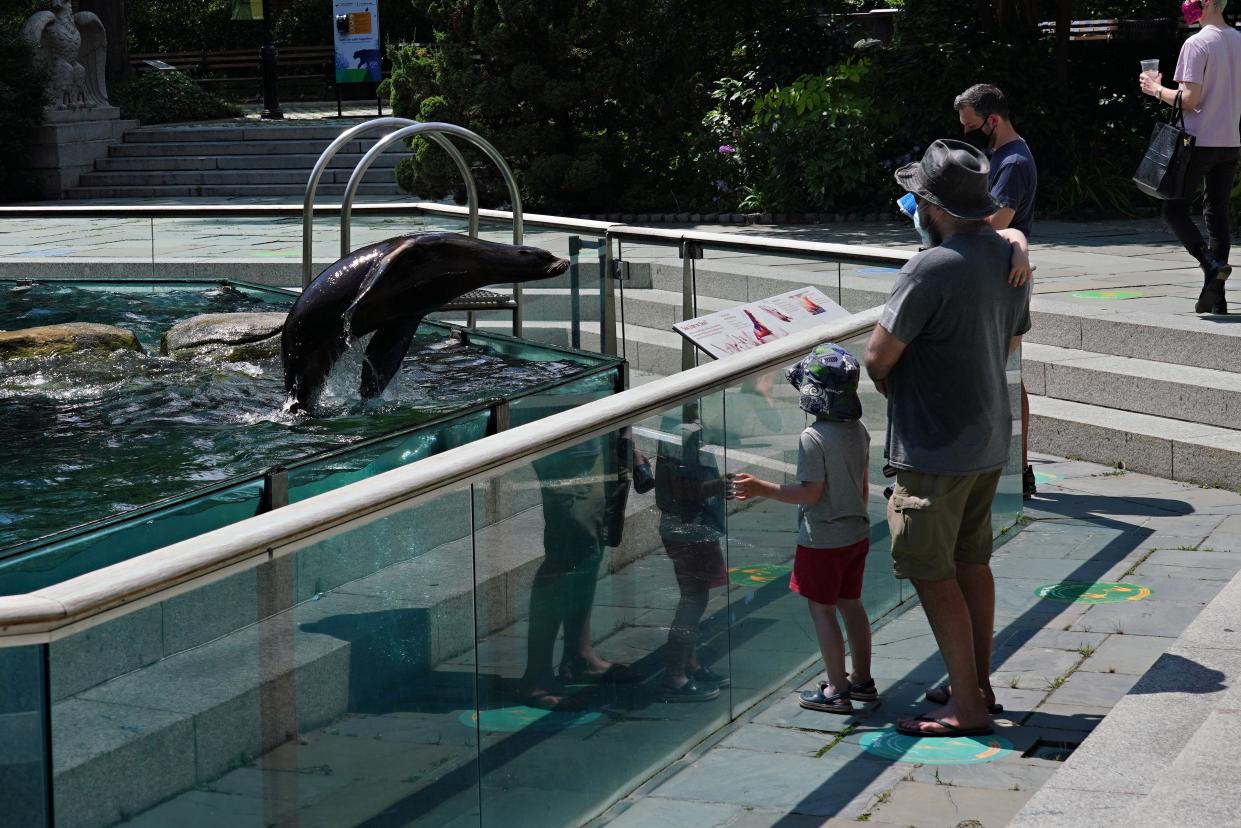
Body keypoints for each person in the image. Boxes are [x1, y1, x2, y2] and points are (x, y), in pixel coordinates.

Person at [865, 139, 1031, 738]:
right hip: (987, 439)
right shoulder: (1010, 257)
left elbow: (878, 356)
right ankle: (979, 684)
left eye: (916, 198)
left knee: (932, 574)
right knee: (972, 564)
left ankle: (966, 705)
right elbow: (1010, 342)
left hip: (933, 448)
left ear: (931, 206)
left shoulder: (928, 268)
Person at [732, 344, 875, 715]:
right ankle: (862, 679)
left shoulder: (813, 439)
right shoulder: (858, 431)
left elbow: (811, 494)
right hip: (856, 532)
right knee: (852, 605)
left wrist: (762, 488)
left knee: (822, 610)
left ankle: (837, 690)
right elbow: (862, 485)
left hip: (822, 539)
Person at [955, 83, 1039, 498]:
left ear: (993, 120)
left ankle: (1016, 467)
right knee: (1003, 374)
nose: (968, 133)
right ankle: (1012, 466)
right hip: (1000, 274)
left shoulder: (1014, 161)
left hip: (1005, 279)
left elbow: (998, 224)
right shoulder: (1001, 155)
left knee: (1005, 375)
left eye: (972, 126)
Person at [1139, 0, 1241, 314]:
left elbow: (1189, 100)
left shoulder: (1196, 43)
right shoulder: (1238, 39)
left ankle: (1209, 263)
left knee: (1173, 209)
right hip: (1230, 140)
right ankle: (1217, 298)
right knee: (1217, 214)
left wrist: (1155, 88)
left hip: (1198, 141)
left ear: (1207, 2)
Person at [652, 411, 731, 702]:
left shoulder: (684, 431)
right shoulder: (682, 435)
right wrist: (720, 485)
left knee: (697, 597)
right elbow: (680, 489)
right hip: (689, 528)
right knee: (693, 600)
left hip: (696, 526)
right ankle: (675, 675)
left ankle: (690, 662)